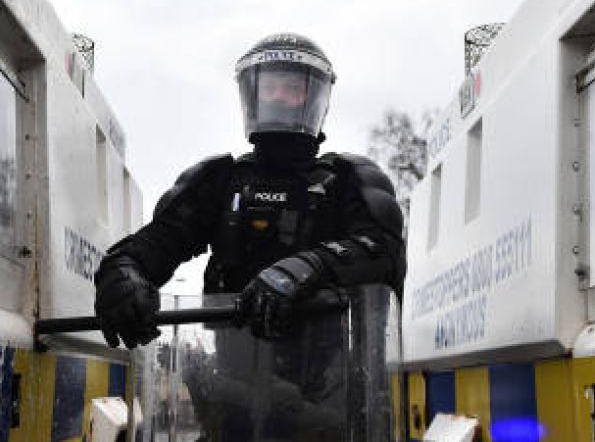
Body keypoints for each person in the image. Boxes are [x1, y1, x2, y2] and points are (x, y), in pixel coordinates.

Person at [93, 32, 406, 348]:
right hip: (231, 377)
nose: (278, 97)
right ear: (250, 96)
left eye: (292, 88)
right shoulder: (218, 180)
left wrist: (308, 267)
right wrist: (122, 273)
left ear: (315, 99)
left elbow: (385, 252)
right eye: (269, 88)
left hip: (331, 380)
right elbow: (156, 243)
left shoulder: (348, 178)